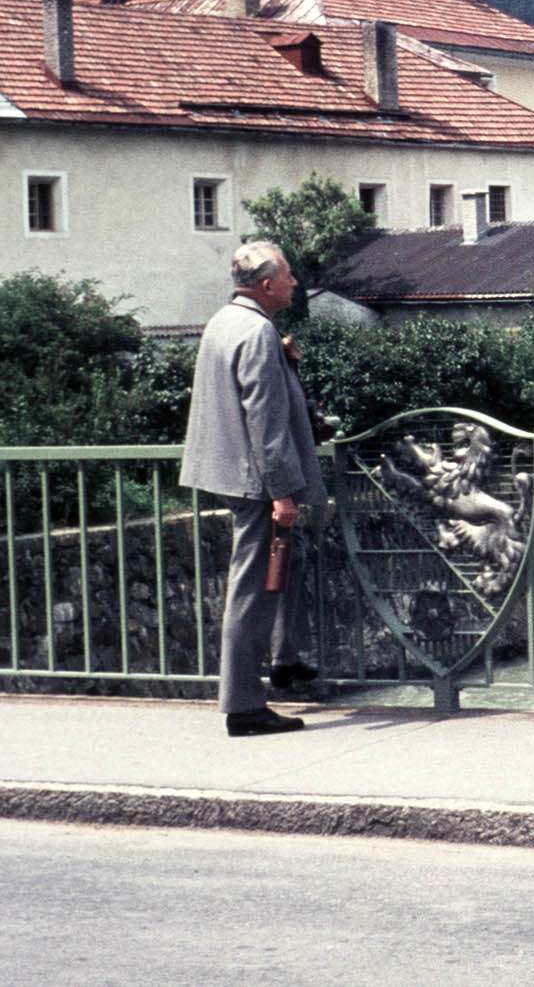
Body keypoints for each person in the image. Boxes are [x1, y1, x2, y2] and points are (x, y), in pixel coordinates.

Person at [180, 240, 327, 737]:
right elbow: (263, 422)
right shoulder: (258, 332)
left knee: (292, 558)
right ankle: (243, 706)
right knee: (252, 589)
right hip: (255, 479)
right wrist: (282, 493)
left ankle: (285, 658)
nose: (294, 283)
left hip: (226, 470)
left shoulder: (227, 321)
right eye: (287, 275)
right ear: (266, 285)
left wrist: (282, 359)